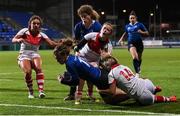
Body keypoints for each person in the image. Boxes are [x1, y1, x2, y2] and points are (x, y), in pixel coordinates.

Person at [53, 42, 129, 105]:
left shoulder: (69, 64)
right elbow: (81, 74)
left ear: (64, 54)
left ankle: (132, 94)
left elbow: (76, 81)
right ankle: (132, 90)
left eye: (58, 57)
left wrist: (63, 81)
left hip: (100, 80)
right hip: (100, 73)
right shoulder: (72, 57)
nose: (57, 60)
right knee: (112, 96)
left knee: (111, 100)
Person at [12, 15, 60, 99]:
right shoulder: (24, 31)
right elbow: (13, 39)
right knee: (28, 72)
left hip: (35, 54)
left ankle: (41, 91)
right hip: (24, 55)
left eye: (38, 24)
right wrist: (18, 40)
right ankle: (30, 91)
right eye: (34, 23)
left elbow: (52, 43)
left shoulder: (42, 35)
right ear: (30, 24)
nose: (36, 25)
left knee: (38, 68)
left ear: (40, 25)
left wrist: (62, 44)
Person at [97, 55, 177, 105]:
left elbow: (112, 92)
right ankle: (154, 88)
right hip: (147, 83)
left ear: (108, 66)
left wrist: (101, 91)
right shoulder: (124, 66)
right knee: (141, 82)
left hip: (142, 94)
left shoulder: (112, 74)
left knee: (153, 99)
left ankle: (169, 98)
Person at [64, 4, 102, 101]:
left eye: (85, 16)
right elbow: (76, 40)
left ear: (90, 15)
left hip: (93, 54)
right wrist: (77, 50)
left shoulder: (97, 26)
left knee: (90, 74)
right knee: (75, 72)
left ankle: (90, 95)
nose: (83, 18)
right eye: (81, 17)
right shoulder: (78, 27)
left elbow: (100, 41)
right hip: (81, 53)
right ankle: (72, 94)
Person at [74, 22, 113, 103]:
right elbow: (78, 46)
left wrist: (104, 58)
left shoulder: (108, 46)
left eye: (108, 30)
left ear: (110, 34)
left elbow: (106, 60)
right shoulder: (92, 35)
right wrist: (77, 51)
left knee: (92, 76)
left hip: (94, 61)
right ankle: (78, 96)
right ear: (101, 29)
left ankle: (90, 94)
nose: (105, 30)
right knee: (82, 76)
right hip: (82, 57)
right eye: (104, 28)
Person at [118, 10, 149, 77]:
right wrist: (121, 38)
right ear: (129, 19)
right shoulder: (127, 26)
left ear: (136, 18)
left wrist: (141, 32)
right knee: (135, 57)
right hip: (131, 43)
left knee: (139, 58)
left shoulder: (140, 24)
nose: (132, 19)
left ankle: (138, 69)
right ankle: (137, 73)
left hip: (139, 43)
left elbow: (147, 33)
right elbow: (125, 32)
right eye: (131, 18)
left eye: (133, 18)